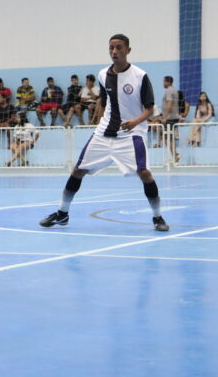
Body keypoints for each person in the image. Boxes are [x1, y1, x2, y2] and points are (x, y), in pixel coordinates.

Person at [39, 34, 170, 232]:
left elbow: (149, 108)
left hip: (131, 134)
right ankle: (62, 213)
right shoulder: (102, 74)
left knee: (145, 173)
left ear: (128, 50)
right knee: (77, 170)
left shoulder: (140, 76)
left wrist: (134, 122)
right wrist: (99, 119)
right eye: (111, 48)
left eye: (118, 47)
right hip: (104, 132)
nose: (114, 51)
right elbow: (104, 101)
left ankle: (157, 217)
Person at [161, 76, 180, 163]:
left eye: (164, 81)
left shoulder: (169, 90)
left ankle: (175, 155)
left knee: (166, 138)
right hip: (174, 116)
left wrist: (164, 117)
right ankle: (175, 155)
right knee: (169, 137)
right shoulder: (174, 90)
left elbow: (169, 104)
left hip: (170, 118)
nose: (163, 83)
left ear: (168, 82)